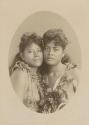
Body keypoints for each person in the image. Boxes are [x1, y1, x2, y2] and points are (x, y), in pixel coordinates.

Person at [39, 28, 79, 113]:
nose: (50, 53)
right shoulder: (40, 75)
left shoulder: (73, 73)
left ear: (63, 53)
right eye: (47, 48)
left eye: (55, 49)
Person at [9, 32, 44, 112]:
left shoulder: (37, 75)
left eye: (39, 51)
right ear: (22, 56)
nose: (36, 55)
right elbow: (14, 109)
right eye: (30, 51)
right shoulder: (20, 73)